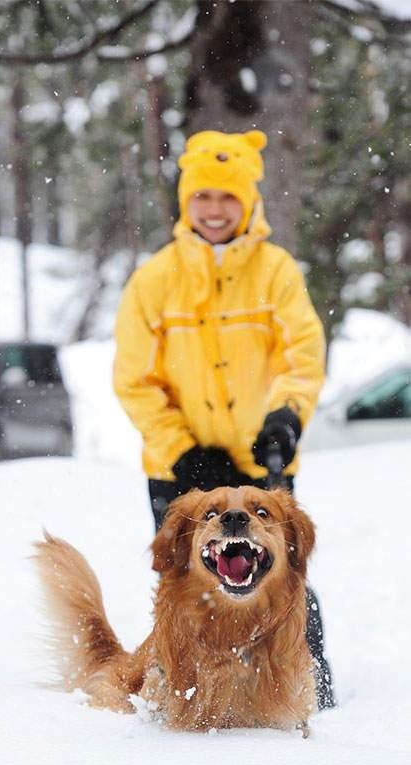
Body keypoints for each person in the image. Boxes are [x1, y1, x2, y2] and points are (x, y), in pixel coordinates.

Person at [113, 129, 335, 709]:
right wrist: (182, 451)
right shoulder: (155, 279)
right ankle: (182, 693)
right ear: (186, 203)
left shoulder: (276, 271)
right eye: (203, 197)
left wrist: (286, 416)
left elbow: (302, 355)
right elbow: (135, 380)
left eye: (227, 197)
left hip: (260, 464)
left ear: (248, 201)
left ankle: (304, 687)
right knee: (186, 584)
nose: (215, 210)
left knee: (282, 581)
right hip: (178, 470)